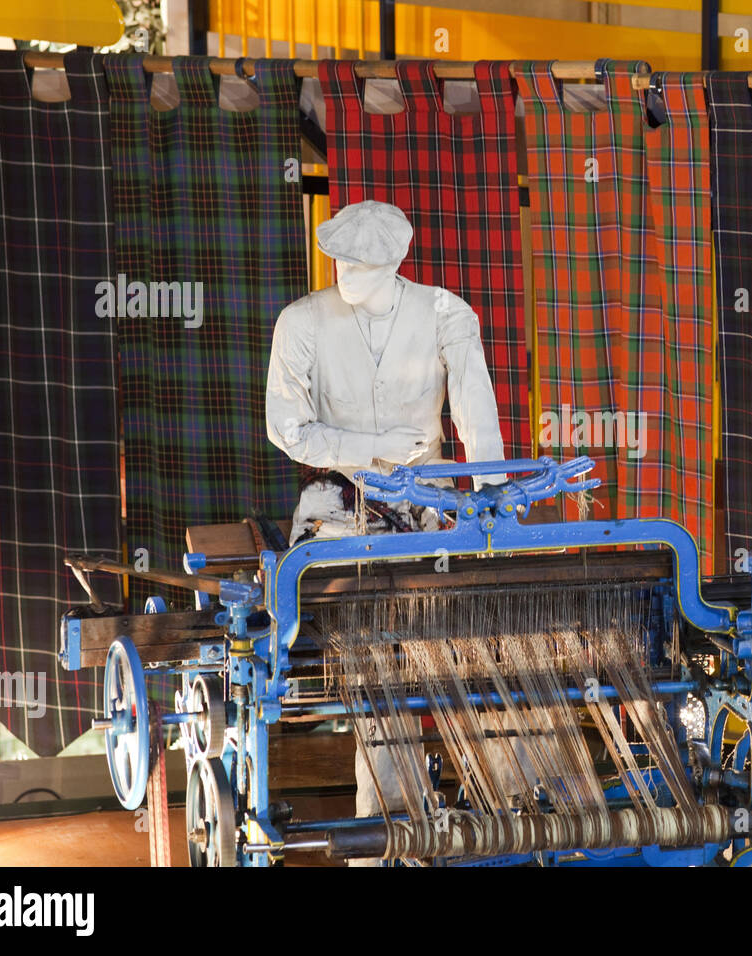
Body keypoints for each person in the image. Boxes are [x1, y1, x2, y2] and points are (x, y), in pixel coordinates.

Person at [264, 200, 519, 842]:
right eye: (341, 260)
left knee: (479, 650)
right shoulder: (300, 322)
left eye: (365, 263)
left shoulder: (445, 313)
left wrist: (489, 497)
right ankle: (386, 836)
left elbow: (475, 411)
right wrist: (365, 450)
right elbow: (286, 428)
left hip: (432, 505)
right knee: (379, 663)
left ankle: (518, 818)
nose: (348, 272)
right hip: (337, 509)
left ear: (397, 261)